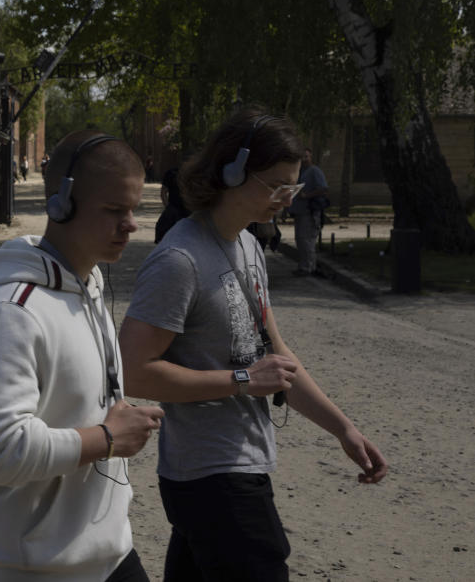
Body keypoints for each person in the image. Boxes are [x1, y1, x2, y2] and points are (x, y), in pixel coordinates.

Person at [119, 109, 388, 582]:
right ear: (232, 171)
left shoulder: (247, 245)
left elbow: (278, 359)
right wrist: (242, 381)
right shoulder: (179, 260)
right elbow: (134, 370)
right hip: (211, 474)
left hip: (235, 468)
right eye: (276, 186)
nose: (286, 200)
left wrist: (342, 428)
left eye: (294, 188)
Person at [0, 132, 164, 582]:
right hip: (17, 568)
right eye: (113, 211)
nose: (130, 225)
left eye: (133, 210)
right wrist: (106, 438)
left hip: (107, 555)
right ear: (61, 203)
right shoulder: (11, 312)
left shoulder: (91, 286)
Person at [288, 148, 328, 276]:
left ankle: (309, 267)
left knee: (307, 240)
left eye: (306, 157)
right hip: (299, 211)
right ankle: (303, 265)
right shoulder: (299, 171)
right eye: (302, 157)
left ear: (310, 157)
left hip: (309, 212)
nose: (304, 159)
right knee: (299, 239)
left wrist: (307, 195)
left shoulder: (315, 171)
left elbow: (323, 189)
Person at [155, 166, 191, 244]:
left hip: (187, 209)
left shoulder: (196, 173)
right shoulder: (172, 173)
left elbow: (163, 192)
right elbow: (163, 192)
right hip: (177, 208)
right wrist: (168, 207)